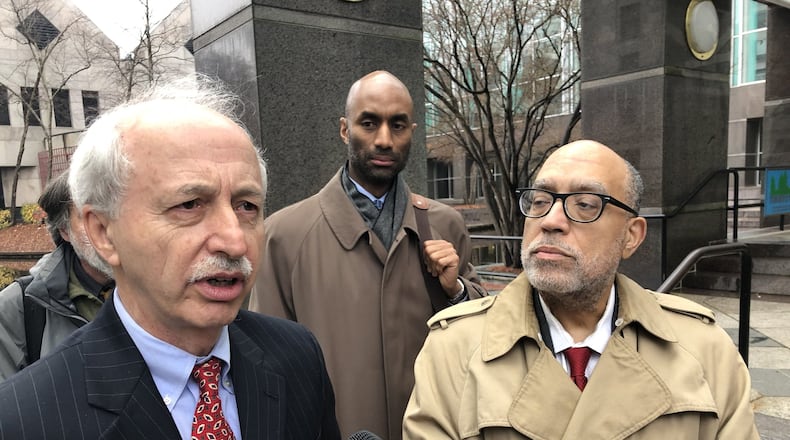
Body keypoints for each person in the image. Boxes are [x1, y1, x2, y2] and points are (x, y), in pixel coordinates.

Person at [0, 77, 341, 440]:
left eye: (246, 206)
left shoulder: (298, 357)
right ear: (102, 232)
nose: (235, 241)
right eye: (189, 205)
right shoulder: (24, 419)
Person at [403, 140, 759, 439]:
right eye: (541, 200)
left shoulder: (704, 350)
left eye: (585, 204)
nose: (551, 221)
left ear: (631, 236)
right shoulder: (452, 350)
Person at [248, 70, 487, 439]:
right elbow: (265, 364)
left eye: (398, 125)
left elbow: (481, 338)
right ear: (345, 129)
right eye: (369, 123)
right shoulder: (284, 235)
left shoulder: (445, 224)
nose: (384, 140)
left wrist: (455, 291)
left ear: (413, 131)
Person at [0, 170, 114, 382]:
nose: (107, 227)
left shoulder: (167, 290)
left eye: (114, 210)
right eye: (89, 215)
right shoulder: (19, 307)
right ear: (64, 230)